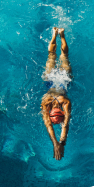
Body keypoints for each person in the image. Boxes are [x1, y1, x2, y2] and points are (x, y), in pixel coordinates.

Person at [41, 28, 72, 161]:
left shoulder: (65, 102)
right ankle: (56, 34)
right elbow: (50, 124)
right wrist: (58, 143)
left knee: (63, 56)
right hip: (49, 80)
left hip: (64, 81)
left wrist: (59, 143)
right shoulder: (46, 102)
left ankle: (61, 35)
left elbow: (65, 124)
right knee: (52, 55)